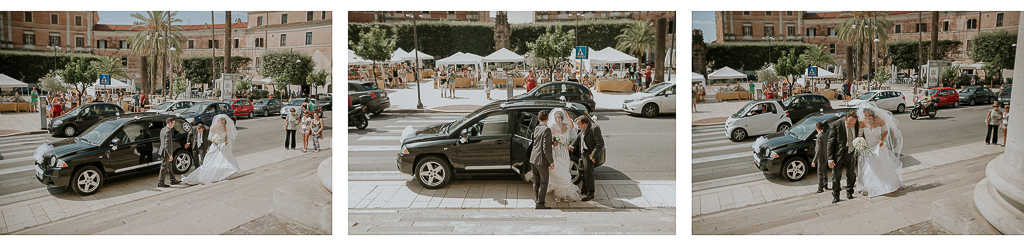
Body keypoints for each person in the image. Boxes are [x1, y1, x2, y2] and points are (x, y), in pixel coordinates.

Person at [856, 105, 905, 197]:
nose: (867, 118)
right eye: (865, 115)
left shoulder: (879, 120)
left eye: (868, 115)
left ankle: (887, 184)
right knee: (870, 167)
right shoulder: (862, 122)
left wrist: (881, 139)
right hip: (868, 147)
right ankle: (871, 187)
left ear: (873, 114)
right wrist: (861, 143)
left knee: (882, 165)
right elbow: (860, 135)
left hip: (878, 146)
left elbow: (886, 130)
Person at [181, 115, 240, 185]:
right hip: (215, 146)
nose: (223, 124)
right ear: (218, 122)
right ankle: (216, 175)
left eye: (224, 123)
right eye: (222, 123)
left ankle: (223, 174)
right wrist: (215, 141)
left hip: (222, 146)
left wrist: (225, 141)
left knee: (224, 160)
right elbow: (210, 138)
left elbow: (226, 136)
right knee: (212, 161)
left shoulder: (225, 128)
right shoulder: (213, 128)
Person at [543, 108, 581, 203]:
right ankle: (556, 193)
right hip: (555, 151)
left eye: (559, 117)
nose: (557, 119)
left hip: (564, 152)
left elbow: (572, 126)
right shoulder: (551, 126)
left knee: (564, 172)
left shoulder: (565, 126)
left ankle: (565, 193)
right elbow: (547, 139)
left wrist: (567, 115)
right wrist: (553, 143)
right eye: (555, 117)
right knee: (556, 172)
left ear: (562, 118)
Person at [827, 111, 862, 203]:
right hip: (839, 154)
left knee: (851, 174)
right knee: (836, 175)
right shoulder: (836, 125)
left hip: (851, 152)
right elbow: (830, 142)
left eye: (853, 124)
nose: (851, 126)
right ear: (844, 119)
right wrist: (830, 158)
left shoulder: (858, 124)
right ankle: (836, 195)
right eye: (849, 123)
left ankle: (850, 193)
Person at [571, 114, 603, 202]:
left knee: (588, 173)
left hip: (589, 154)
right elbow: (579, 136)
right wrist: (572, 145)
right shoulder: (584, 128)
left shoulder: (594, 128)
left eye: (579, 125)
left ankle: (590, 193)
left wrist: (593, 156)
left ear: (584, 124)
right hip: (583, 153)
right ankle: (584, 189)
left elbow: (600, 144)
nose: (578, 126)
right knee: (581, 170)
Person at [529, 110, 554, 210]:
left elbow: (538, 141)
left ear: (538, 119)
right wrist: (551, 162)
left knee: (536, 181)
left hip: (533, 158)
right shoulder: (547, 130)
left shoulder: (537, 128)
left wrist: (551, 142)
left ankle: (537, 199)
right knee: (544, 182)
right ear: (547, 118)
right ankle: (540, 204)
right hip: (541, 160)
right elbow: (545, 149)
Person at [157, 118, 181, 187]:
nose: (174, 124)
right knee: (164, 167)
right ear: (170, 122)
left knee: (169, 166)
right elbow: (166, 144)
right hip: (166, 152)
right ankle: (160, 182)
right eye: (173, 123)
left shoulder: (163, 129)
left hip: (163, 150)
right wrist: (170, 154)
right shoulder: (168, 131)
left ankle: (172, 179)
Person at [811, 121, 830, 194]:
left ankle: (820, 189)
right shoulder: (825, 135)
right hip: (826, 157)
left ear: (817, 128)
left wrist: (814, 161)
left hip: (821, 158)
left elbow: (818, 150)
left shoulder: (819, 137)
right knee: (824, 171)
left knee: (820, 173)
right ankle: (825, 185)